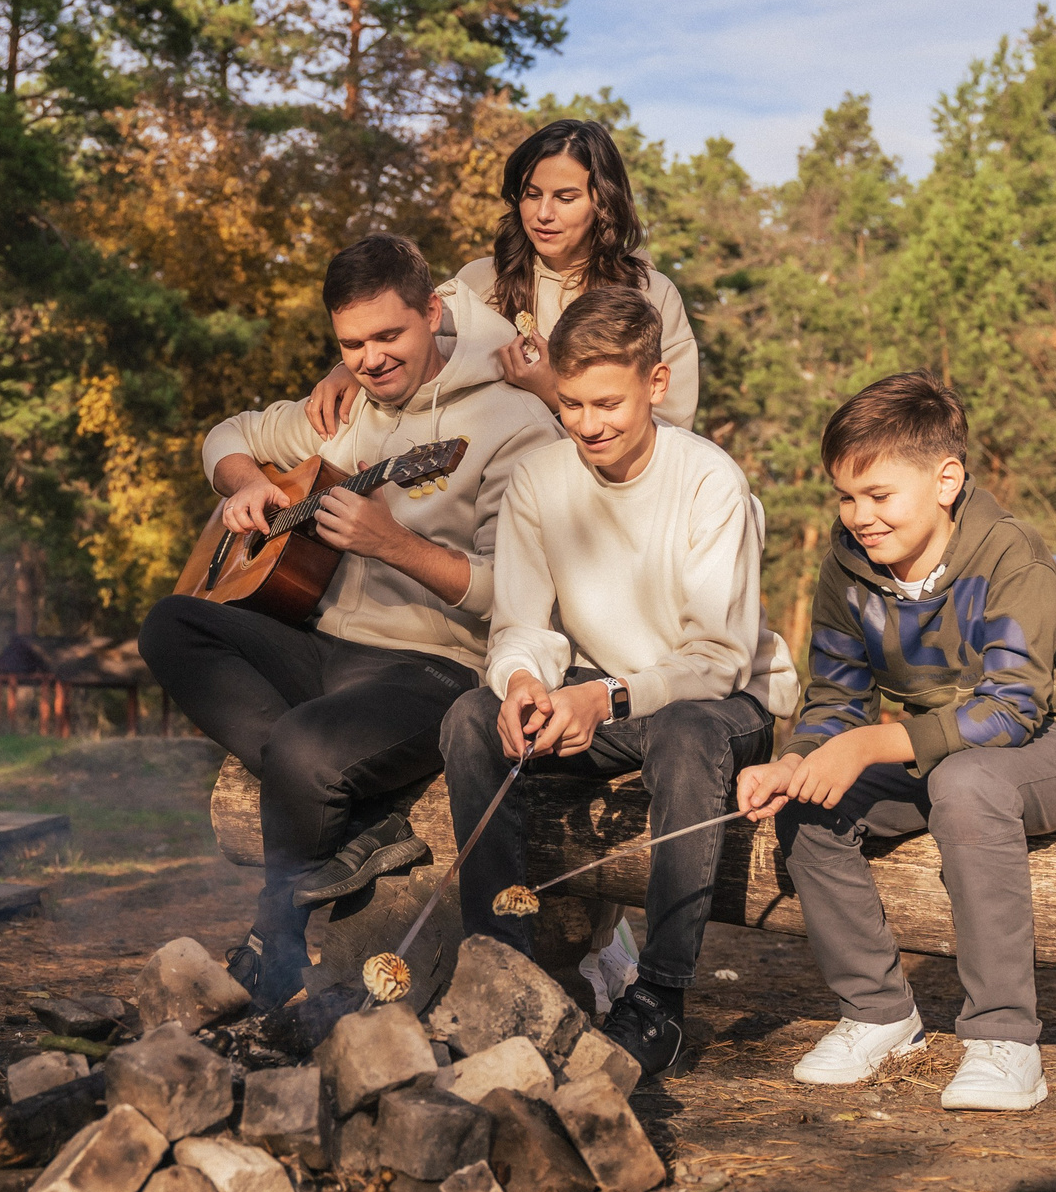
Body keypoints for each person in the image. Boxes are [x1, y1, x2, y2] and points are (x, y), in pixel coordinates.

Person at [139, 233, 564, 1012]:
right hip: (324, 644)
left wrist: (393, 544)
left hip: (435, 666)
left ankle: (274, 942)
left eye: (387, 337)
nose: (369, 360)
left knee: (302, 744)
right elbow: (227, 436)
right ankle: (366, 819)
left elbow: (517, 592)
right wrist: (242, 489)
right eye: (350, 344)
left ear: (432, 311)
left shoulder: (516, 425)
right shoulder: (344, 409)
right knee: (172, 624)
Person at [736, 370, 1056, 1112]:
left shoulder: (1012, 553)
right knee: (809, 803)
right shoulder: (848, 566)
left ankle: (1005, 1037)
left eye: (879, 495)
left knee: (969, 783)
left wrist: (868, 745)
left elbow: (1013, 710)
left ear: (946, 479)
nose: (859, 515)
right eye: (846, 497)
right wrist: (797, 759)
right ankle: (879, 1012)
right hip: (948, 751)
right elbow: (834, 697)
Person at [439, 285, 797, 1080]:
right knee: (469, 714)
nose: (588, 423)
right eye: (570, 403)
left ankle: (660, 998)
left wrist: (604, 696)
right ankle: (503, 972)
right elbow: (521, 624)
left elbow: (717, 657)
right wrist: (526, 681)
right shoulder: (538, 483)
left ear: (656, 385)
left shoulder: (710, 480)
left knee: (686, 728)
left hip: (723, 700)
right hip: (606, 695)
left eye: (608, 402)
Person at [305, 118, 700, 435]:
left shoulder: (650, 295)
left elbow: (673, 430)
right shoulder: (478, 283)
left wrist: (554, 394)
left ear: (603, 202)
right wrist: (348, 372)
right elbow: (397, 337)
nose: (544, 214)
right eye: (532, 194)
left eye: (565, 198)